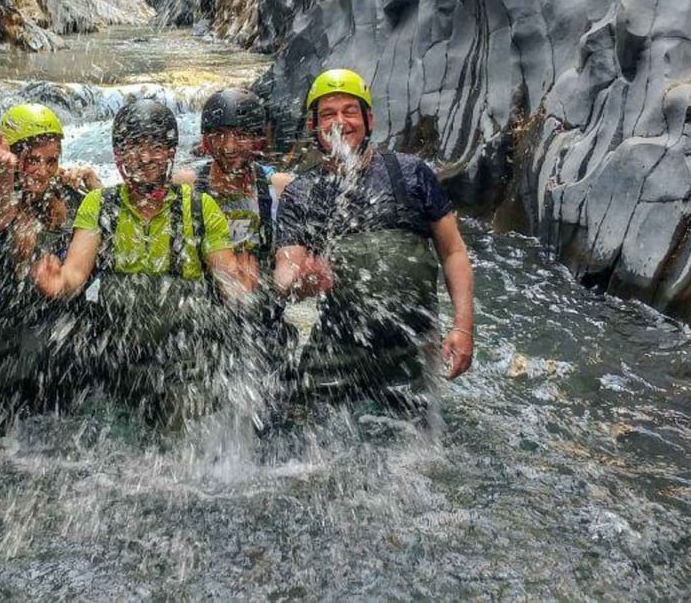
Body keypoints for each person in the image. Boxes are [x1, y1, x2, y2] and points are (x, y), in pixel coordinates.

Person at [34, 98, 253, 428]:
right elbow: (75, 274)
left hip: (185, 360)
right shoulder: (99, 205)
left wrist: (240, 287)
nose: (145, 157)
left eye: (155, 146)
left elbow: (227, 279)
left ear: (169, 152)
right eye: (134, 146)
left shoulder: (200, 208)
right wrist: (59, 283)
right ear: (119, 153)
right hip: (122, 356)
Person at [272, 69, 476, 421]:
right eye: (327, 114)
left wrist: (463, 327)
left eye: (349, 111)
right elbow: (284, 276)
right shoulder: (300, 194)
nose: (340, 122)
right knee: (292, 427)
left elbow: (454, 252)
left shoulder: (412, 175)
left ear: (369, 119)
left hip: (410, 349)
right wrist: (303, 282)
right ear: (313, 127)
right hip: (337, 350)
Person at [0, 103, 101, 422]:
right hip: (11, 347)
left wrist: (97, 189)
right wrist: (3, 171)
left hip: (69, 344)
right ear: (14, 159)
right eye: (30, 161)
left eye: (51, 161)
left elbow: (111, 234)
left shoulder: (75, 201)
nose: (41, 170)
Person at [173, 87, 293, 281]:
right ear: (206, 142)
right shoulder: (187, 185)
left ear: (258, 141)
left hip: (262, 301)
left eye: (242, 135)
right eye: (220, 135)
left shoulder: (279, 188)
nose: (229, 147)